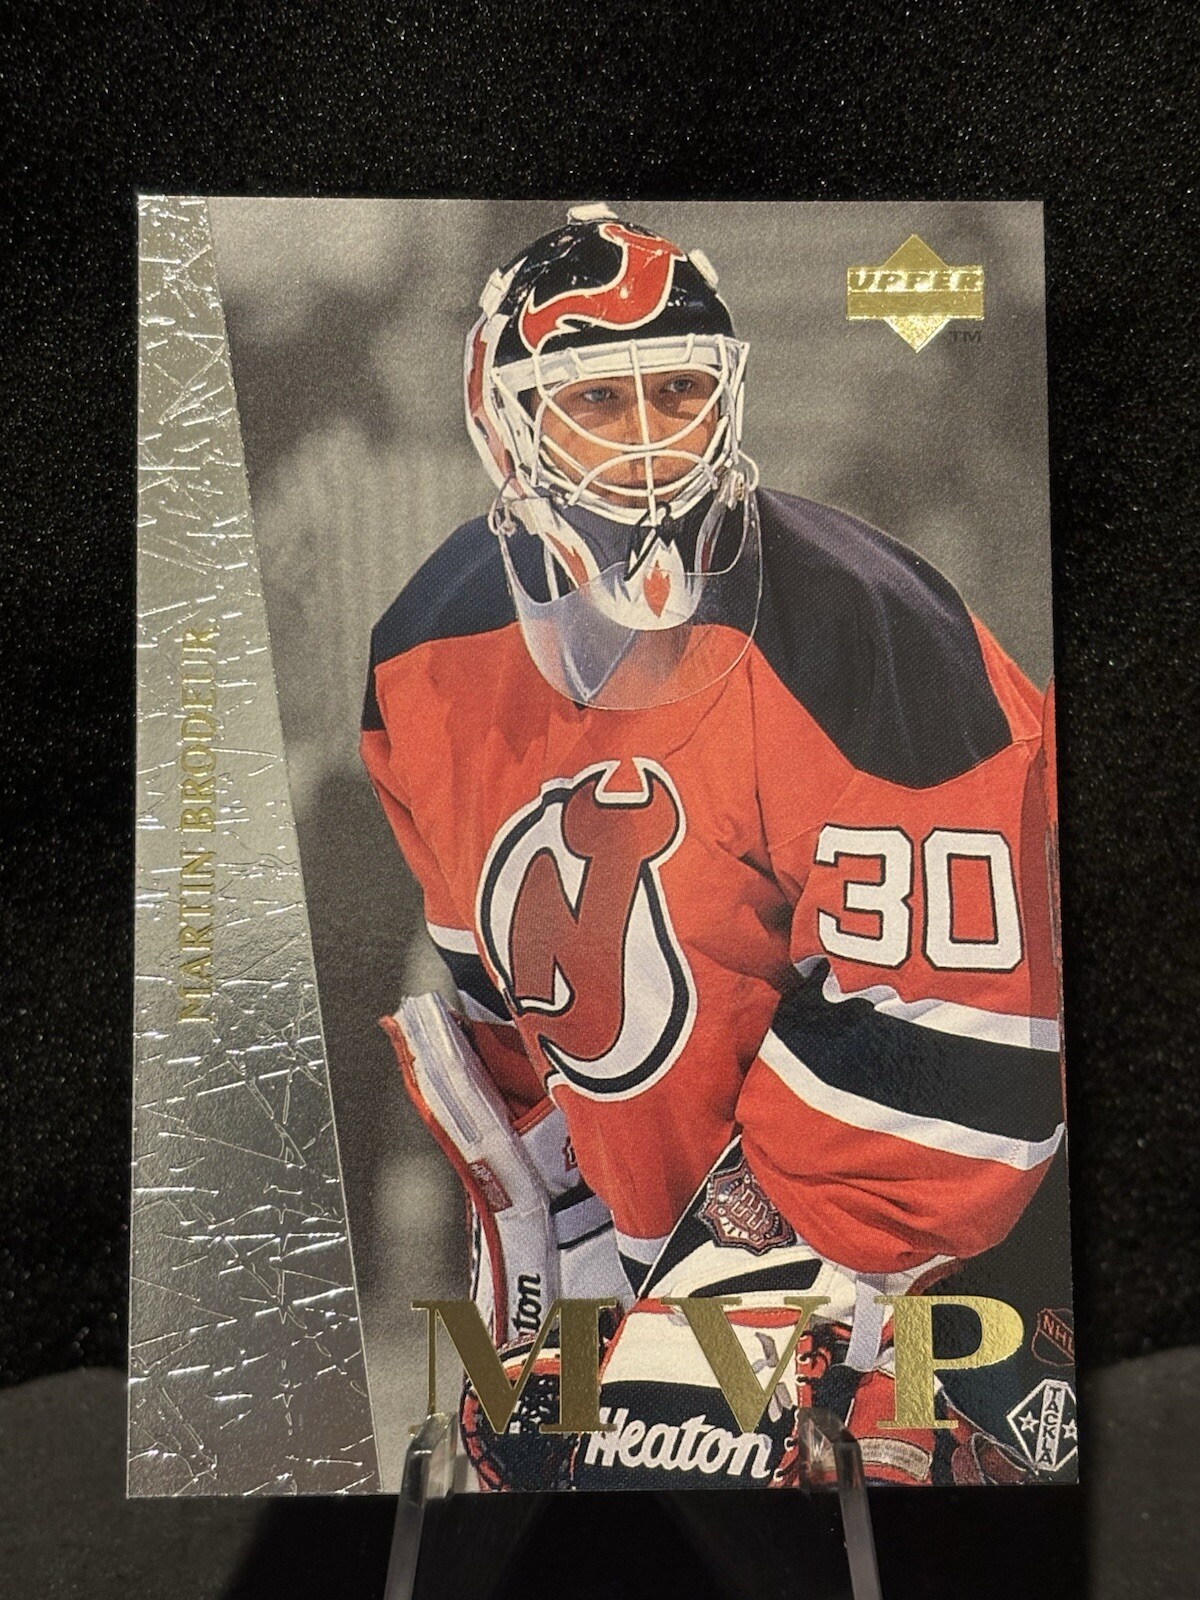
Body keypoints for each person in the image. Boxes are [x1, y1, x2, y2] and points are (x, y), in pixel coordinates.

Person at [360, 205, 1068, 1489]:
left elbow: (959, 1058)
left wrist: (708, 1336)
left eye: (678, 393)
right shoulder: (423, 653)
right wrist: (569, 1311)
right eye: (598, 400)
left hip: (948, 1262)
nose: (649, 444)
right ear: (504, 424)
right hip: (675, 1249)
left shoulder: (876, 633)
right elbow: (530, 1040)